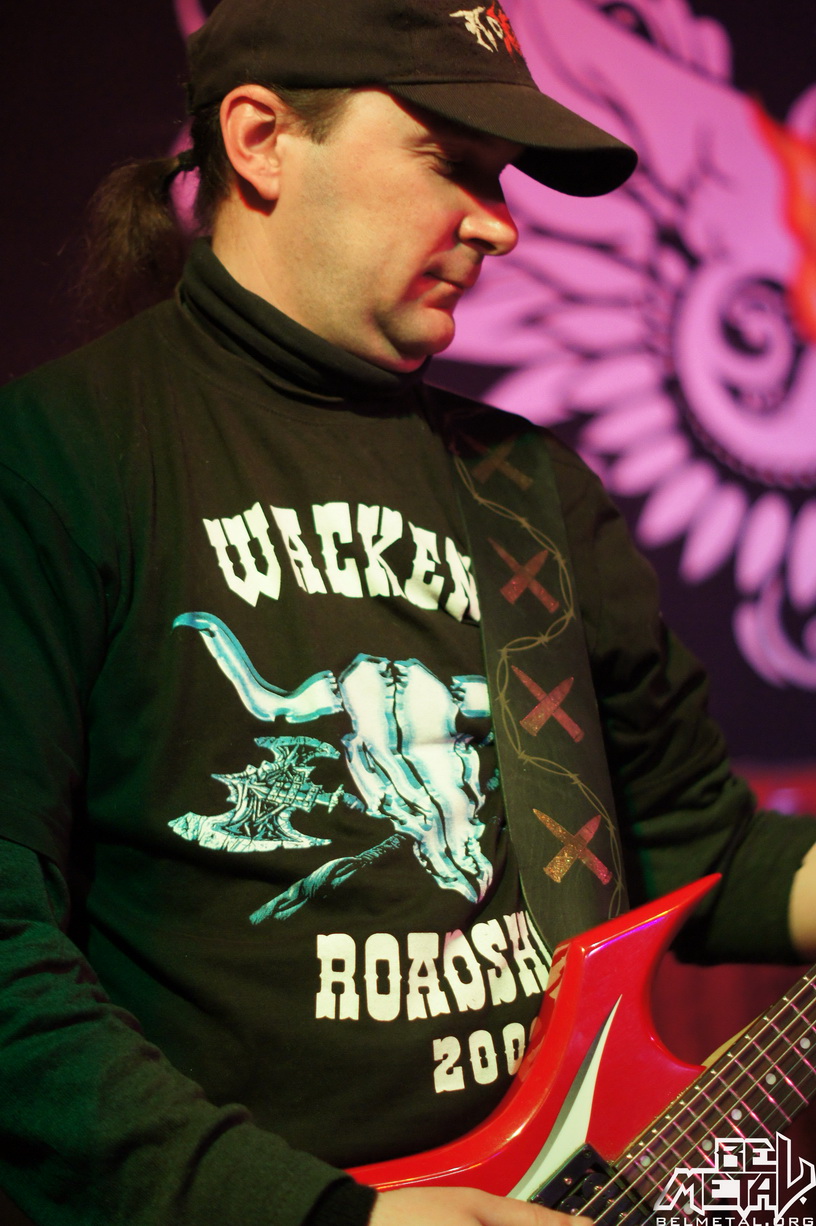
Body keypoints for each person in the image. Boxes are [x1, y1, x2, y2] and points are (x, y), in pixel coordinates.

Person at [1, 2, 816, 1225]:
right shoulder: (57, 461)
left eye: (503, 176)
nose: (501, 221)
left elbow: (696, 847)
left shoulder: (533, 491)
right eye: (454, 162)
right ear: (262, 140)